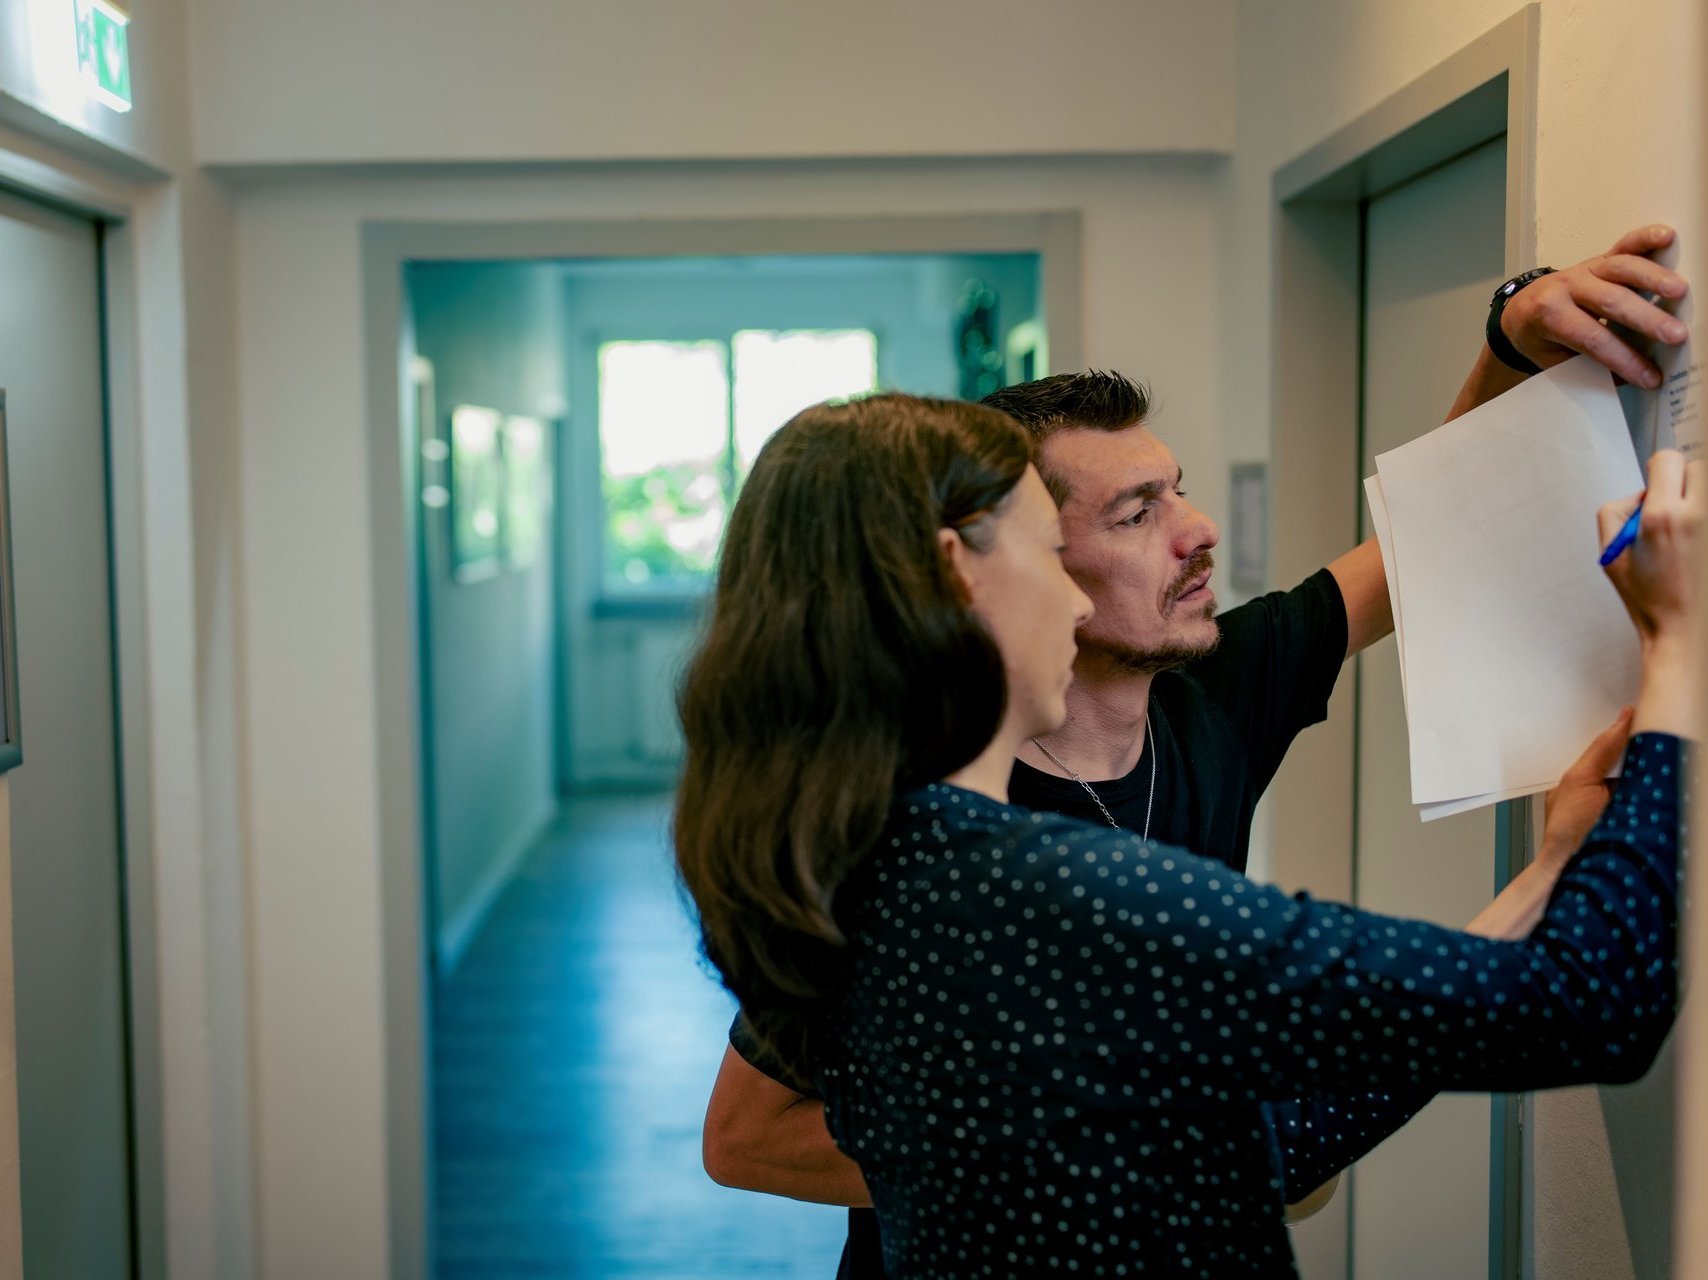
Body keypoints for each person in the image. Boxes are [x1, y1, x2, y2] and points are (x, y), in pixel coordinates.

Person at [700, 225, 1691, 1274]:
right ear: (963, 578)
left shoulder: (895, 845)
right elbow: (1583, 1002)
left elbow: (1425, 545)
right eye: (1113, 521)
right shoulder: (1051, 893)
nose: (1200, 528)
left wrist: (1510, 339)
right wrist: (1677, 651)